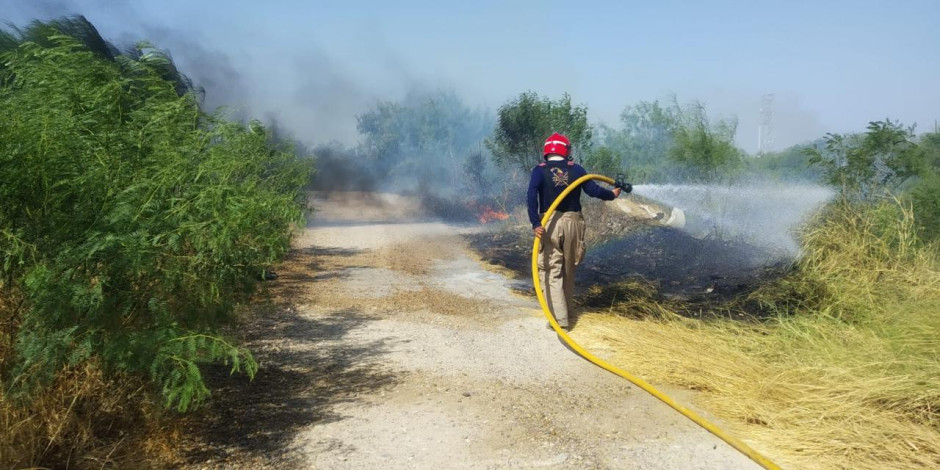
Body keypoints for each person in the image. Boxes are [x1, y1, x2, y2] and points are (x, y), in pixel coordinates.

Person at [527, 132, 621, 331]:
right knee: (568, 271)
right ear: (566, 150)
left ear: (547, 151)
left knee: (551, 270)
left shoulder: (539, 170)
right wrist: (612, 194)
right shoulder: (576, 169)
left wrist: (535, 223)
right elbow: (594, 191)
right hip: (574, 223)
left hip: (549, 224)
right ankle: (567, 312)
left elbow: (531, 196)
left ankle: (560, 319)